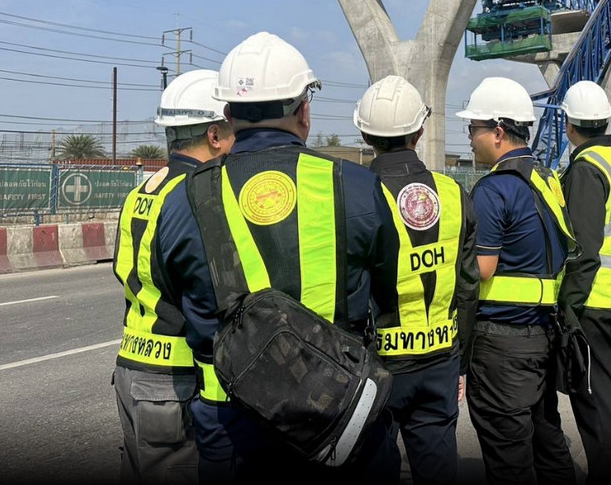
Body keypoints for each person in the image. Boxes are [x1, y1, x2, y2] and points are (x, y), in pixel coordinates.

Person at [155, 32, 399, 482]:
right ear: (304, 111)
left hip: (231, 430)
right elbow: (387, 293)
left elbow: (172, 292)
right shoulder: (355, 185)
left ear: (228, 116)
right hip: (339, 422)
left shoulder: (183, 199)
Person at [352, 75, 480, 485]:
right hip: (441, 358)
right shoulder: (454, 193)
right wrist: (462, 361)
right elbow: (468, 288)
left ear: (365, 135)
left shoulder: (356, 195)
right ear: (420, 131)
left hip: (378, 364)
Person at [112, 69, 234, 484]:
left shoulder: (142, 192)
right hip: (175, 382)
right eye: (233, 131)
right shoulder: (198, 196)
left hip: (131, 368)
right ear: (215, 135)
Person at [456, 76, 577, 485]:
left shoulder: (493, 189)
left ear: (498, 132)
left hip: (500, 346)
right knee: (548, 444)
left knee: (509, 460)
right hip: (542, 336)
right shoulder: (545, 179)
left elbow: (483, 268)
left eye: (473, 128)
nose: (470, 138)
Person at [557, 81, 611, 485]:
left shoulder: (586, 170)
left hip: (592, 303)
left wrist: (568, 308)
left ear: (570, 125)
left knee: (597, 405)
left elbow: (583, 251)